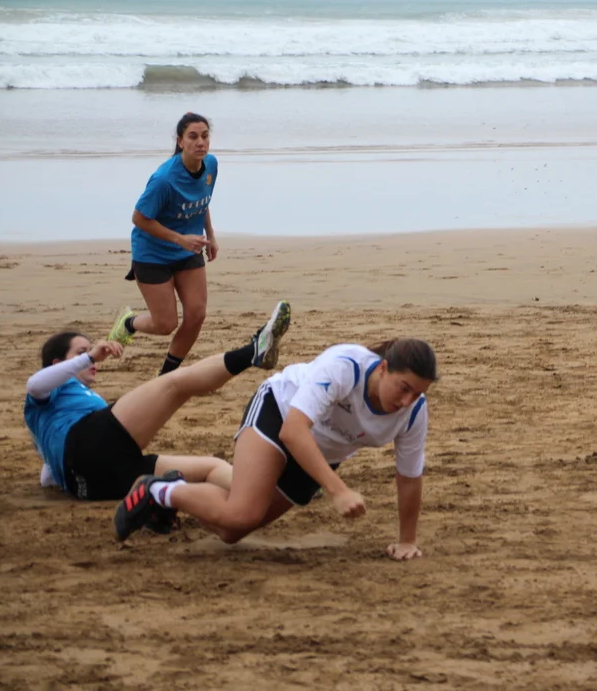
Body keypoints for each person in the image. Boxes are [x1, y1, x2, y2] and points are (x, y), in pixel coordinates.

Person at [113, 338, 438, 561]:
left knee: (230, 532)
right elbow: (293, 431)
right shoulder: (345, 366)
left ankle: (173, 492)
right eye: (403, 388)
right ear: (383, 368)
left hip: (320, 456)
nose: (406, 400)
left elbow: (409, 477)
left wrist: (407, 540)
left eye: (417, 393)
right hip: (278, 414)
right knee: (242, 513)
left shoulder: (413, 413)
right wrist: (338, 490)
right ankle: (155, 490)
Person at [25, 301, 291, 531]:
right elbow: (35, 384)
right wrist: (89, 358)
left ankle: (269, 493)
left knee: (210, 468)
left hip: (91, 486)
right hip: (87, 443)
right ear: (57, 364)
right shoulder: (51, 390)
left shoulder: (50, 419)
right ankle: (253, 352)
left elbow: (48, 477)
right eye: (81, 352)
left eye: (89, 352)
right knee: (175, 383)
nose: (90, 359)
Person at [108, 112, 219, 376]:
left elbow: (201, 201)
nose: (200, 142)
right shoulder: (164, 180)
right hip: (153, 254)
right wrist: (180, 239)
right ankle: (129, 323)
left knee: (196, 315)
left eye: (205, 136)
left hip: (188, 249)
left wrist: (210, 235)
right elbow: (139, 219)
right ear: (180, 141)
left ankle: (166, 376)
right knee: (165, 324)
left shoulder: (211, 165)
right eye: (193, 136)